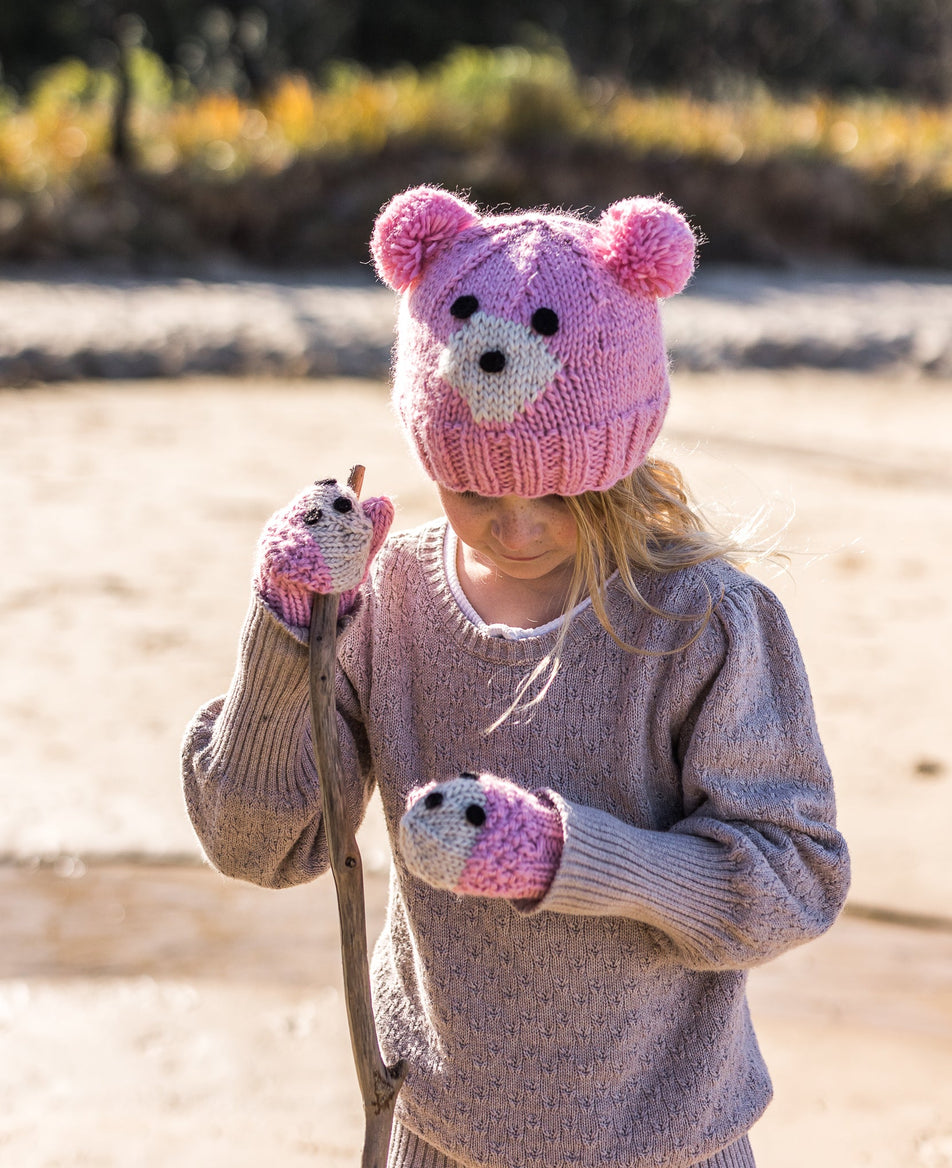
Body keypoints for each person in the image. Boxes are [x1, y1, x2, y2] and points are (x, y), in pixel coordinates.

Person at [182, 186, 850, 1168]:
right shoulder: (395, 594)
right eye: (474, 489)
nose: (517, 523)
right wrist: (290, 628)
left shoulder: (701, 620)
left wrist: (561, 859)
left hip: (666, 1146)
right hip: (439, 1137)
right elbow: (260, 844)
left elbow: (792, 883)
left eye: (558, 489)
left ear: (622, 449)